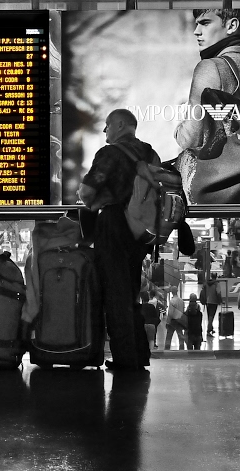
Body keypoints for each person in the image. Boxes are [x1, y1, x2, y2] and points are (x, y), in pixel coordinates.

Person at [78, 108, 160, 371]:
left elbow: (86, 193)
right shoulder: (149, 153)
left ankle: (126, 360)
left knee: (116, 294)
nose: (105, 131)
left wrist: (96, 200)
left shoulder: (109, 153)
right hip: (142, 230)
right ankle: (139, 354)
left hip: (114, 225)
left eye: (108, 125)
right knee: (132, 292)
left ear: (121, 125)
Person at [174, 9, 240, 204]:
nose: (196, 31)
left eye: (205, 23)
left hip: (230, 199)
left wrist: (179, 128)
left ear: (232, 26)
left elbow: (189, 139)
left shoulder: (212, 67)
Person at [200, 272, 222, 338]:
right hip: (214, 302)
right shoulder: (216, 284)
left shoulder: (206, 283)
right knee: (211, 316)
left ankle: (211, 328)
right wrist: (220, 301)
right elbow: (218, 293)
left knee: (209, 315)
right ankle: (208, 331)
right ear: (216, 277)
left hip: (207, 302)